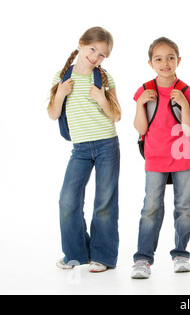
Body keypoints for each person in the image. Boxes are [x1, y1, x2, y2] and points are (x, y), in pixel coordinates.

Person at [47, 27, 121, 273]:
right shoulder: (62, 77)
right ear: (80, 44)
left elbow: (117, 115)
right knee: (67, 201)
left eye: (102, 55)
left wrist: (102, 100)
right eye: (93, 50)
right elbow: (52, 114)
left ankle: (103, 256)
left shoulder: (104, 78)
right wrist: (60, 95)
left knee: (104, 202)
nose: (96, 57)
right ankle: (76, 254)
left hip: (106, 145)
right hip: (79, 149)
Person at [131, 37, 190, 279]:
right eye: (158, 59)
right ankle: (142, 259)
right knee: (150, 207)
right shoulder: (145, 89)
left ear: (178, 60)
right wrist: (140, 104)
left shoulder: (186, 90)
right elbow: (140, 129)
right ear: (150, 63)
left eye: (170, 57)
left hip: (184, 157)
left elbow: (189, 129)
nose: (165, 63)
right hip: (155, 158)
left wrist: (185, 104)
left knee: (184, 207)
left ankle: (181, 254)